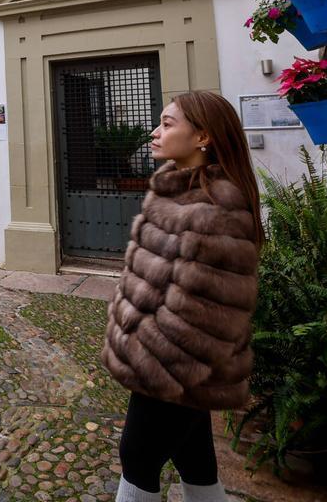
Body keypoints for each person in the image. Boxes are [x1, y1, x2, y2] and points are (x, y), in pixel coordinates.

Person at [102, 91, 263, 502]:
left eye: (168, 124)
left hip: (174, 366)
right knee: (196, 461)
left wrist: (144, 352)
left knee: (137, 459)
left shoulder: (214, 211)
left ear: (203, 136)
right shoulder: (177, 191)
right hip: (181, 368)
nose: (155, 133)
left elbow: (202, 314)